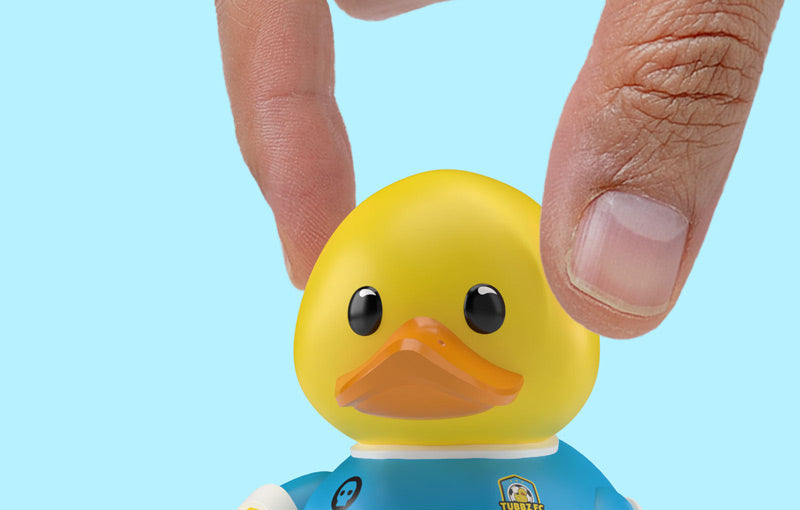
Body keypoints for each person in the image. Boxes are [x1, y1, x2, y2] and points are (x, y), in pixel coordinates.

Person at [213, 0, 783, 338]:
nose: (418, 344)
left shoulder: (560, 481)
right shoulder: (347, 486)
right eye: (367, 315)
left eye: (482, 312)